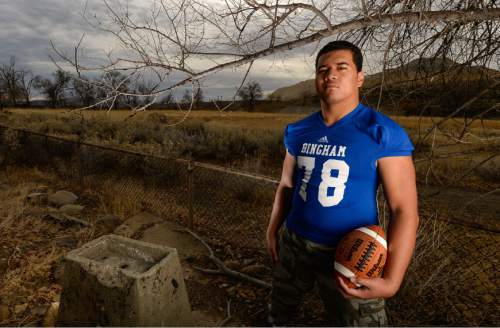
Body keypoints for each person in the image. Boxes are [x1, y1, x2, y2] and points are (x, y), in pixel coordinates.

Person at [266, 40, 419, 326]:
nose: (330, 75)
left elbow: (404, 210)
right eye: (322, 69)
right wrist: (273, 229)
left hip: (351, 253)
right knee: (280, 310)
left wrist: (393, 280)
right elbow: (286, 185)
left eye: (341, 67)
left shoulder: (382, 132)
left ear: (360, 77)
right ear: (316, 79)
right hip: (295, 242)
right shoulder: (298, 131)